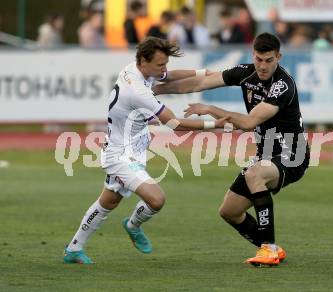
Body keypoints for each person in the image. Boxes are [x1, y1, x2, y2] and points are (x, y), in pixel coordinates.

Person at [63, 37, 226, 264]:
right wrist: (215, 125)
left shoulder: (135, 70)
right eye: (160, 64)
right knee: (156, 199)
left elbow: (168, 77)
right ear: (143, 61)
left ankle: (74, 249)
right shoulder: (138, 91)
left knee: (108, 202)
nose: (164, 69)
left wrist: (202, 72)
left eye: (165, 63)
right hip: (120, 156)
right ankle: (133, 224)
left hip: (132, 149)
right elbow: (174, 125)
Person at [154, 33, 310, 267]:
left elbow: (248, 123)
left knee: (255, 174)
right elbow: (200, 82)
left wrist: (210, 109)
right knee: (229, 211)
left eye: (269, 60)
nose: (263, 66)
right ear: (253, 56)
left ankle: (268, 249)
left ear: (279, 57)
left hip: (292, 155)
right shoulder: (246, 72)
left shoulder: (283, 85)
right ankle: (272, 248)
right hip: (266, 154)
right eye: (259, 59)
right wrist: (156, 90)